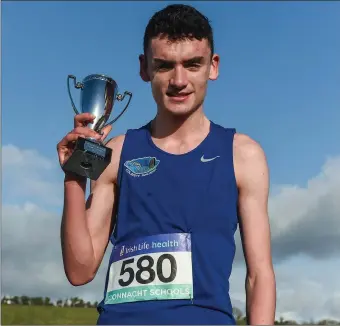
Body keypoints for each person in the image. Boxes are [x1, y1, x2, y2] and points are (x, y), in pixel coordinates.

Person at [57, 4, 276, 325]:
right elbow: (79, 270)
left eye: (192, 64)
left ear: (213, 67)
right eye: (164, 66)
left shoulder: (243, 154)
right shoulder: (117, 153)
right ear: (144, 68)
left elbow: (259, 275)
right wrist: (75, 174)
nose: (178, 80)